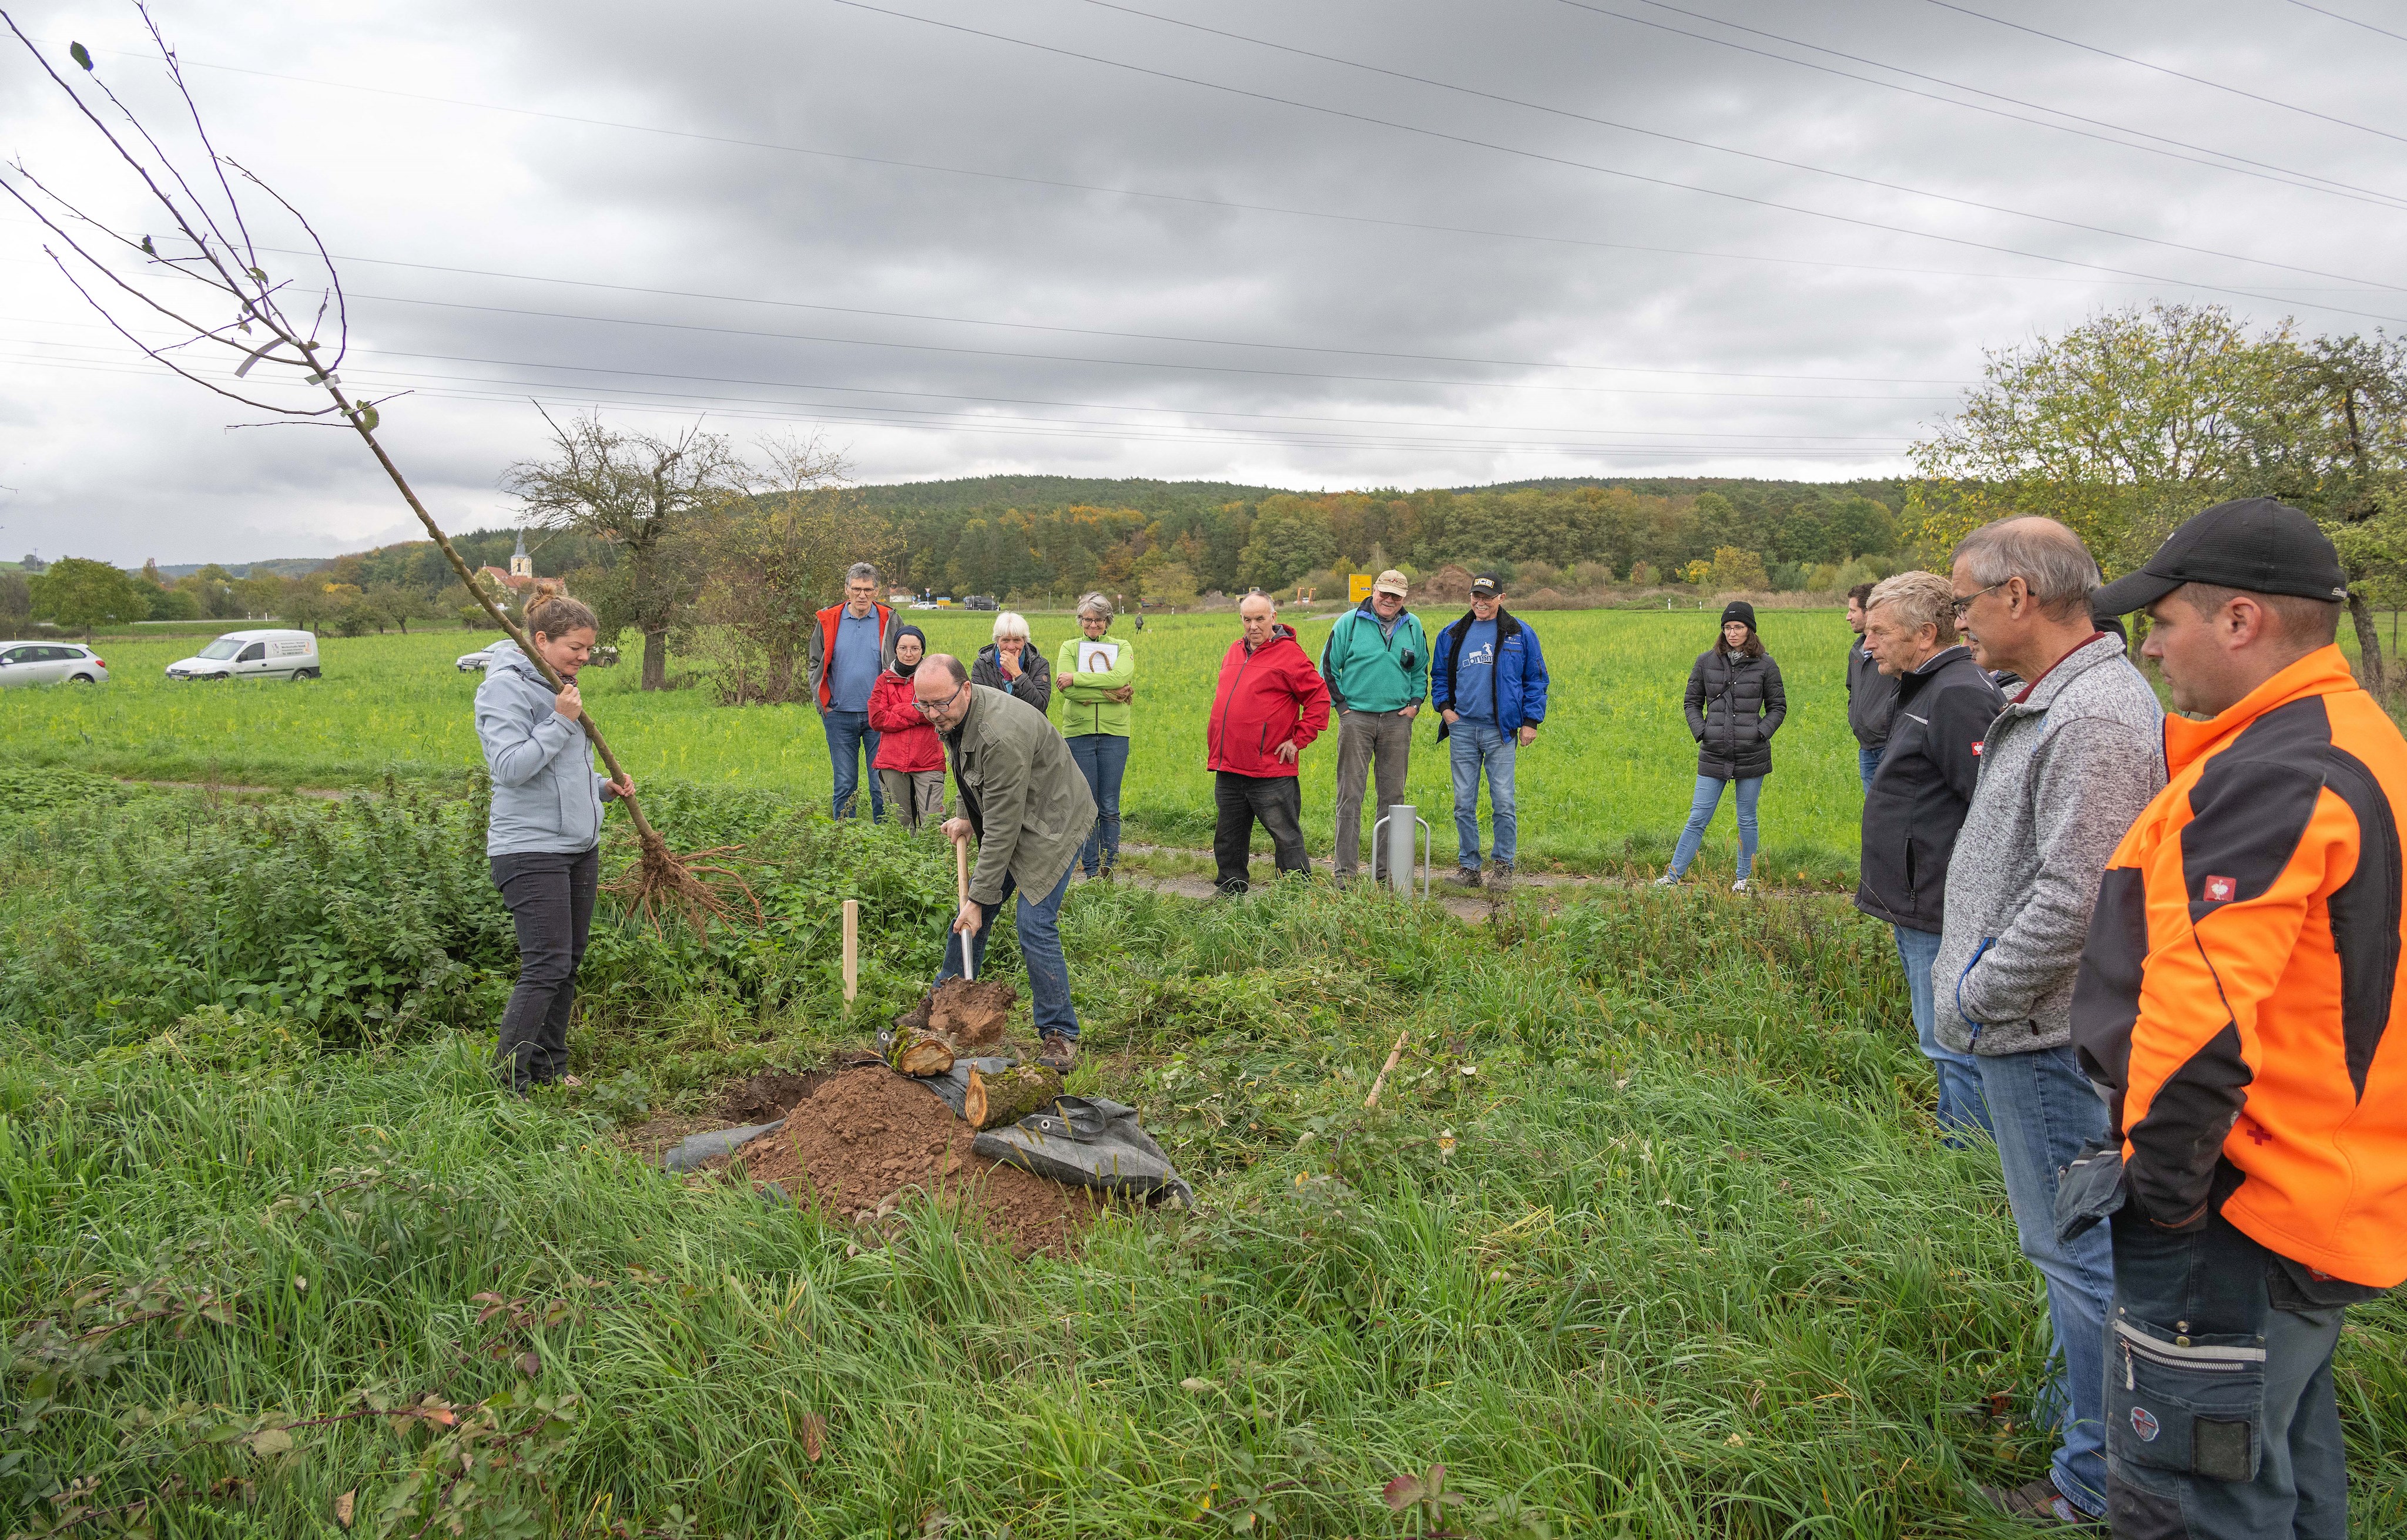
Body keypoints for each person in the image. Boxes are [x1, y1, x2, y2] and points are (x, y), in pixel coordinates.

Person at [2069, 498, 2406, 1539]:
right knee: (2284, 1479)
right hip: (2326, 1185)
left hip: (2242, 1209)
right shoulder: (2355, 736)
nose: (2151, 648)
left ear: (2242, 620)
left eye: (2163, 621)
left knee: (2195, 1497)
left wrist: (2162, 1208)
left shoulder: (2270, 775)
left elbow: (2200, 1020)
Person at [1934, 516, 2165, 1529]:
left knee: (2079, 1258)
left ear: (2019, 595)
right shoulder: (2059, 698)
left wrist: (1981, 997)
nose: (1961, 621)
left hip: (2045, 1038)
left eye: (1967, 601)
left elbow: (2080, 898)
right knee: (2066, 1256)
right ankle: (2077, 1424)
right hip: (2031, 1031)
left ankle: (2095, 1479)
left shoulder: (2097, 718)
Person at [1852, 572, 2001, 1143]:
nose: (1867, 645)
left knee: (1951, 1036)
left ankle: (1968, 1159)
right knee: (1938, 1033)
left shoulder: (1957, 694)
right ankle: (1961, 1141)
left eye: (1879, 632)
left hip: (1938, 899)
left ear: (1925, 634)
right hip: (1920, 893)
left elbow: (1990, 807)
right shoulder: (1926, 686)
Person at [474, 595, 633, 1093]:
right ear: (540, 640)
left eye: (589, 648)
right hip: (529, 848)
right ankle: (509, 1083)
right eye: (575, 647)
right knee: (545, 963)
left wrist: (601, 791)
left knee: (568, 962)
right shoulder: (502, 690)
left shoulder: (560, 686)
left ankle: (551, 1068)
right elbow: (511, 768)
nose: (585, 657)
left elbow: (561, 775)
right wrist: (561, 720)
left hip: (577, 846)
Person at [917, 653, 1095, 1071]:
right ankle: (944, 1007)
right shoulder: (955, 715)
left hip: (1053, 822)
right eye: (922, 705)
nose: (931, 714)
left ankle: (1060, 1033)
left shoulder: (999, 733)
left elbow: (1001, 827)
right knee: (970, 915)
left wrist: (979, 898)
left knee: (1033, 922)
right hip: (1017, 815)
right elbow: (968, 771)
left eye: (939, 704)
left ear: (965, 689)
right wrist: (965, 814)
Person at [1206, 593, 1330, 893]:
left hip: (1271, 767)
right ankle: (1230, 891)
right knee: (1228, 836)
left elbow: (1319, 698)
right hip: (1230, 763)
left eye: (1260, 619)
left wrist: (1299, 739)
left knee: (1286, 835)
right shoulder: (1234, 651)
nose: (1253, 626)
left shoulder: (1290, 655)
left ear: (1273, 618)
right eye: (1247, 620)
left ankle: (1296, 897)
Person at [1430, 573, 1549, 887]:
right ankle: (1469, 869)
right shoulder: (1452, 633)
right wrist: (1446, 710)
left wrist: (1530, 722)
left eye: (1487, 597)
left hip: (1501, 731)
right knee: (1463, 803)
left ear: (1502, 598)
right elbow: (1439, 675)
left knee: (1504, 802)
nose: (1481, 602)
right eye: (1476, 596)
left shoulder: (1519, 633)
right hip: (1463, 729)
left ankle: (1503, 868)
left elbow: (1536, 680)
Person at [1658, 600, 1784, 892]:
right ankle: (1672, 877)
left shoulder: (1767, 664)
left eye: (1738, 627)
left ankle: (1744, 880)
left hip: (1752, 754)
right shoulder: (1706, 661)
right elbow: (1691, 702)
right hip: (1714, 752)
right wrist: (1702, 732)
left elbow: (1778, 707)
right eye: (1727, 627)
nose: (1732, 632)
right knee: (1698, 817)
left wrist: (1760, 733)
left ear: (1750, 630)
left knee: (1747, 819)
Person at [1320, 569, 1429, 885]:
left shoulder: (1413, 626)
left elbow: (1421, 669)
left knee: (1393, 798)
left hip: (1397, 722)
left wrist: (1415, 705)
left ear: (1404, 598)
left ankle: (1386, 875)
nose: (1389, 600)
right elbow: (1328, 667)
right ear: (1374, 592)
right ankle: (1345, 875)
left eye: (1396, 596)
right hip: (1357, 721)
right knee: (1350, 795)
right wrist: (1343, 707)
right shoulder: (1350, 622)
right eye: (1384, 593)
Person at [804, 562, 897, 821]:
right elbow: (815, 661)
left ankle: (884, 838)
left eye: (868, 589)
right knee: (845, 784)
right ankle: (844, 838)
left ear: (876, 591)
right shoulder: (829, 619)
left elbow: (904, 660)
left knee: (881, 783)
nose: (862, 595)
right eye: (856, 589)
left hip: (878, 717)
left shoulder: (890, 620)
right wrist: (823, 702)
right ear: (847, 589)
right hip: (839, 716)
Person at [1054, 592, 1137, 880]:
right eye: (1087, 619)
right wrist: (1108, 694)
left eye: (1099, 620)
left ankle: (1108, 869)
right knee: (1086, 806)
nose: (1093, 625)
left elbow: (1120, 678)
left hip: (1115, 735)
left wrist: (1078, 678)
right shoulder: (1069, 647)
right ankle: (1090, 870)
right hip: (1078, 734)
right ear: (1080, 620)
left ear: (1107, 621)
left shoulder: (1122, 646)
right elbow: (1066, 689)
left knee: (1110, 806)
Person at [866, 623, 946, 831]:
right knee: (900, 824)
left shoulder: (934, 678)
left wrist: (899, 710)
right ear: (895, 649)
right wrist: (916, 712)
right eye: (903, 648)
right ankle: (904, 863)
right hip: (892, 761)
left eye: (915, 649)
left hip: (927, 760)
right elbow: (876, 719)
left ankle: (932, 862)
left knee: (932, 822)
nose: (908, 654)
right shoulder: (883, 681)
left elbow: (939, 713)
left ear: (923, 650)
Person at [1846, 581, 1899, 791]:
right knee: (1874, 812)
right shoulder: (1857, 651)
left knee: (1892, 810)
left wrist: (1884, 723)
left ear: (1869, 612)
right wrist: (1855, 717)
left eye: (1853, 611)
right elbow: (1852, 689)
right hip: (1866, 746)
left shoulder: (1893, 649)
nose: (1848, 617)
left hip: (1889, 745)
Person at [971, 611, 1052, 715]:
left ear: (1024, 641)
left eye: (1017, 640)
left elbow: (1040, 706)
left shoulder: (1039, 664)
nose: (1011, 647)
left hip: (1028, 727)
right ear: (997, 641)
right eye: (1005, 640)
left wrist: (1017, 674)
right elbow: (977, 706)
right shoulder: (982, 665)